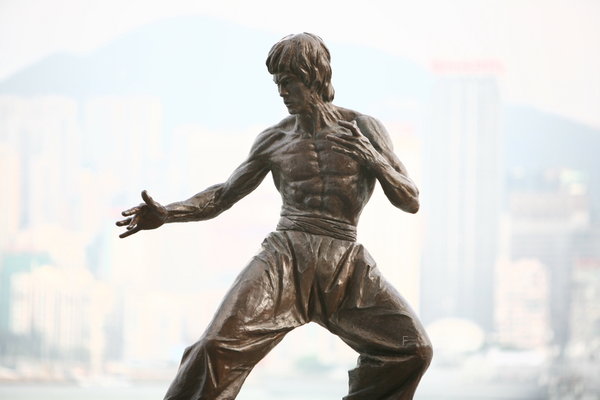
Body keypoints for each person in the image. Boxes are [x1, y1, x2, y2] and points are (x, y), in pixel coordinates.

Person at [117, 32, 432, 400]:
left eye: (289, 82)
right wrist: (168, 213)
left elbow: (410, 200)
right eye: (277, 83)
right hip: (285, 257)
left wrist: (373, 159)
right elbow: (224, 194)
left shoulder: (364, 129)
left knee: (412, 349)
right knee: (215, 347)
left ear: (313, 77)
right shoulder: (274, 140)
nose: (282, 92)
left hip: (343, 262)